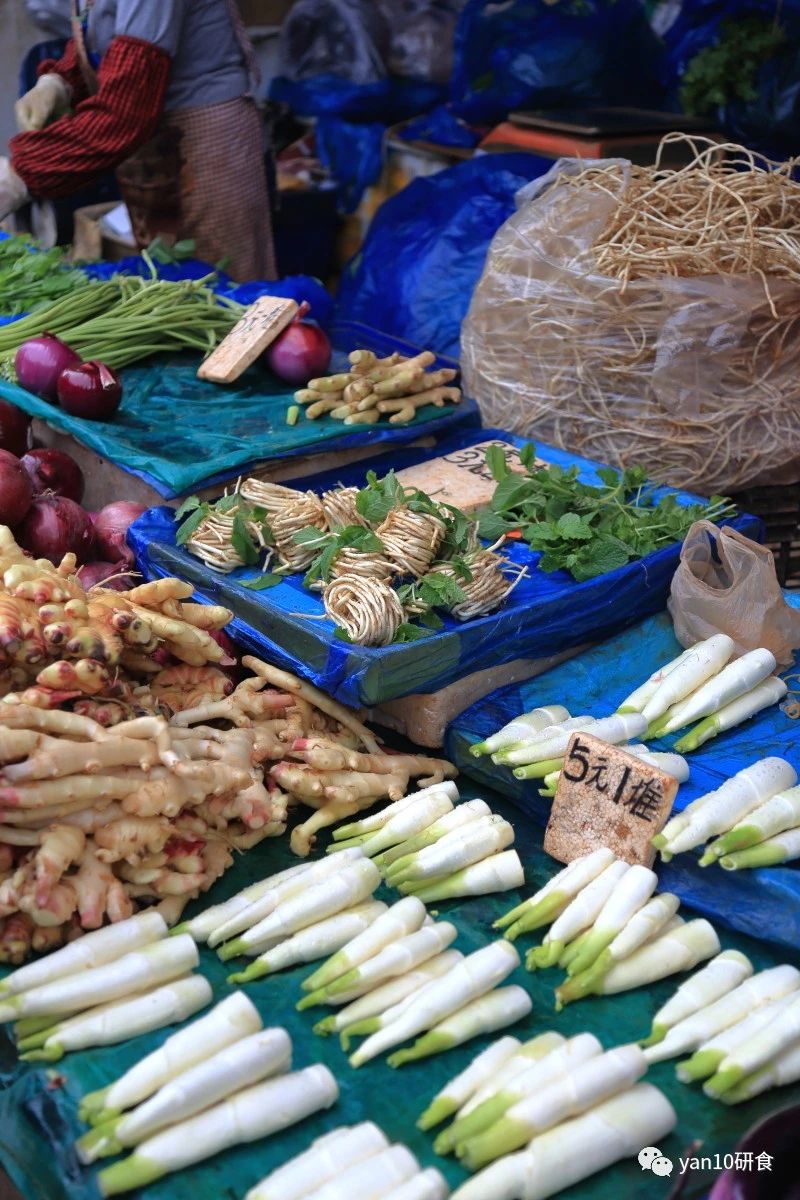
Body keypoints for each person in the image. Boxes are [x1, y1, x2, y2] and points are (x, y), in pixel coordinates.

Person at [0, 1, 276, 282]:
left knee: (225, 288)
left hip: (206, 139)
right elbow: (102, 28)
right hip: (152, 139)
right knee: (167, 282)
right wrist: (61, 81)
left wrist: (19, 174)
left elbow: (126, 109)